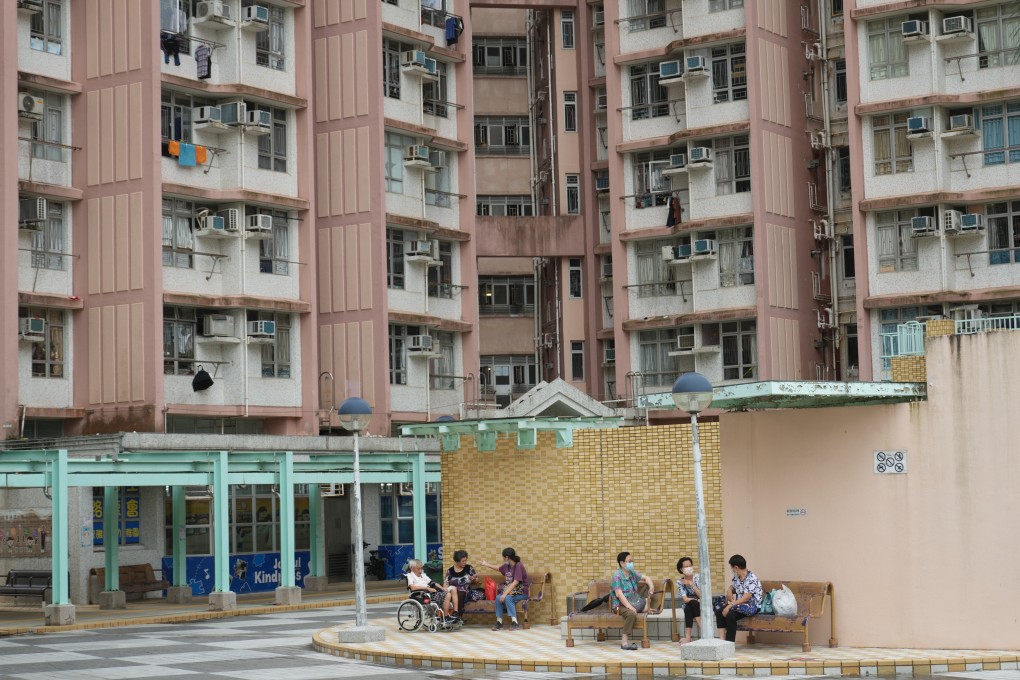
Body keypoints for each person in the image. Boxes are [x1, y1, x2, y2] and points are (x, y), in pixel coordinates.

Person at [610, 551, 656, 650]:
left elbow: (646, 578)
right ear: (622, 563)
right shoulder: (617, 575)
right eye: (629, 561)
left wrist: (651, 587)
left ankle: (644, 608)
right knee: (631, 614)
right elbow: (619, 594)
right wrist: (629, 607)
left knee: (646, 602)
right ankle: (624, 642)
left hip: (634, 601)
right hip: (619, 606)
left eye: (632, 561)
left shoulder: (631, 573)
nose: (631, 563)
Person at [479, 547, 530, 631]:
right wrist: (486, 564)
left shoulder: (518, 565)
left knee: (507, 598)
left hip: (522, 593)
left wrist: (505, 594)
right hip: (512, 592)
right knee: (499, 597)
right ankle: (499, 622)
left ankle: (515, 623)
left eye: (503, 557)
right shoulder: (507, 566)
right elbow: (499, 568)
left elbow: (516, 582)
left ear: (507, 557)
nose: (503, 559)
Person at [715, 554, 762, 642]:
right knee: (719, 611)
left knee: (731, 614)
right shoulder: (737, 577)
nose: (732, 570)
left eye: (732, 568)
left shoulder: (752, 579)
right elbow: (733, 587)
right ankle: (722, 640)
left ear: (736, 567)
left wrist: (729, 606)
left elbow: (746, 598)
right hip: (739, 605)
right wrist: (729, 591)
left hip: (751, 606)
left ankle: (729, 643)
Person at [445, 550, 483, 615]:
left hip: (465, 592)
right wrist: (445, 591)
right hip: (452, 592)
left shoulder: (469, 568)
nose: (465, 562)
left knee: (460, 594)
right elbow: (446, 583)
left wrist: (474, 579)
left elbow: (477, 580)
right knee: (447, 595)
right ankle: (447, 617)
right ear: (457, 561)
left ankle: (458, 615)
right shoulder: (450, 570)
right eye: (463, 561)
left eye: (465, 560)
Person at [676, 556, 702, 644]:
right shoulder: (680, 582)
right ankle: (698, 633)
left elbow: (702, 596)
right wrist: (695, 600)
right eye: (686, 567)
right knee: (689, 606)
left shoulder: (698, 578)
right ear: (681, 569)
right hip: (691, 603)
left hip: (701, 603)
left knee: (690, 607)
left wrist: (691, 584)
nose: (689, 568)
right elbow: (685, 599)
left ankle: (688, 637)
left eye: (690, 565)